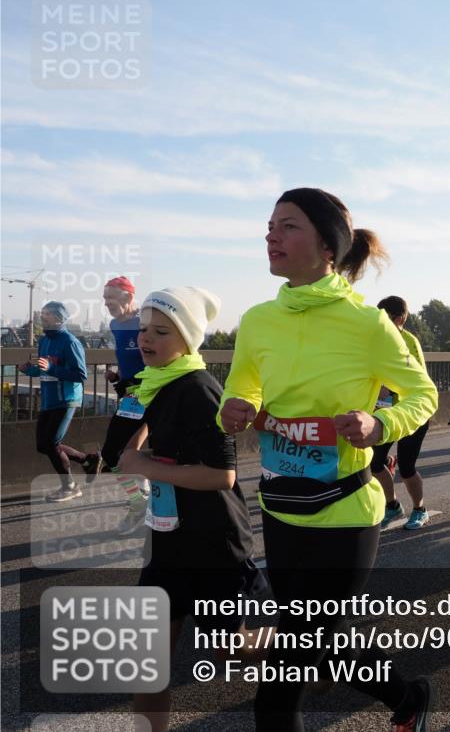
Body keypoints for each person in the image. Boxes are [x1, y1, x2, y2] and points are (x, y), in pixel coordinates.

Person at [219, 188, 438, 732]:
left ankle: (406, 698)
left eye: (287, 226)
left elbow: (423, 395)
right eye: (270, 225)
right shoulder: (258, 320)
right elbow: (237, 391)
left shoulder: (366, 324)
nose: (271, 234)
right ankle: (408, 698)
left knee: (280, 683)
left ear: (326, 247)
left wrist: (378, 423)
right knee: (327, 642)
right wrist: (234, 409)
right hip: (283, 509)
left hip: (345, 516)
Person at [125, 287, 268, 732]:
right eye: (144, 329)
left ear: (187, 341)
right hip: (168, 542)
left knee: (230, 650)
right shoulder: (156, 382)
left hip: (213, 544)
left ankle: (309, 653)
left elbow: (222, 475)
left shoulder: (201, 390)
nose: (147, 339)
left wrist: (145, 465)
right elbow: (131, 444)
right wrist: (130, 448)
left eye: (161, 331)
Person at [90, 276, 152, 535]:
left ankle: (146, 501)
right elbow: (128, 359)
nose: (106, 303)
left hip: (150, 393)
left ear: (127, 298)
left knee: (128, 451)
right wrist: (118, 377)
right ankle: (142, 495)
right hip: (129, 396)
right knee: (115, 454)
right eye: (104, 298)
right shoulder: (115, 325)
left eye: (111, 298)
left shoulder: (145, 322)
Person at [370, 296, 434, 530]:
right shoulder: (375, 341)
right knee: (374, 464)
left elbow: (417, 383)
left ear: (400, 320)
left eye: (384, 319)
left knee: (407, 468)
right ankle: (393, 505)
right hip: (384, 414)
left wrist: (389, 385)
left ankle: (420, 509)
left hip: (411, 414)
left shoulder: (409, 342)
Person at [18, 302, 88, 502]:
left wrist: (51, 369)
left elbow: (81, 375)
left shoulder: (70, 342)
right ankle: (87, 459)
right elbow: (43, 369)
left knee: (51, 442)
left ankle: (70, 486)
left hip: (66, 399)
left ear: (59, 318)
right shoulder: (43, 341)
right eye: (42, 313)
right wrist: (29, 370)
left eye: (47, 314)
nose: (42, 317)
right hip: (48, 399)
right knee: (43, 445)